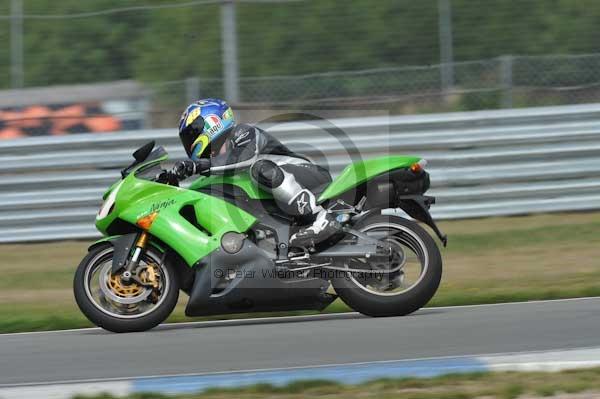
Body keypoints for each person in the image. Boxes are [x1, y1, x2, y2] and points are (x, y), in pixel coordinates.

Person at [173, 98, 340, 247]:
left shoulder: (242, 132)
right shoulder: (217, 166)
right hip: (280, 196)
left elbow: (242, 158)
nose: (189, 141)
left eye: (193, 132)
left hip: (306, 174)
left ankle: (319, 218)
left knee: (259, 168)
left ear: (212, 122)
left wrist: (197, 166)